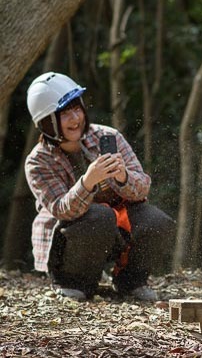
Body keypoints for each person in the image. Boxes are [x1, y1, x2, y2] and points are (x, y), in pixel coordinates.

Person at [25, 72, 176, 302]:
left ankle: (131, 281)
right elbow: (63, 210)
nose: (75, 118)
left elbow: (143, 187)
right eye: (65, 113)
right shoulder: (38, 162)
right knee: (100, 215)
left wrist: (123, 177)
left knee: (158, 221)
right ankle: (73, 282)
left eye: (77, 109)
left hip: (113, 229)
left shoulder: (107, 135)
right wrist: (88, 181)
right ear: (48, 122)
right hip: (69, 241)